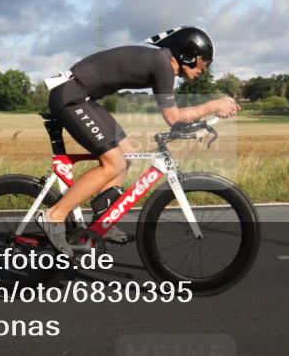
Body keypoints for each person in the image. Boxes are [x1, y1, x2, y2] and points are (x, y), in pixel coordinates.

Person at [39, 26, 240, 255]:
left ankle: (103, 220)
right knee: (113, 162)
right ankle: (54, 215)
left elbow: (174, 118)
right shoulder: (162, 63)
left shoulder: (161, 62)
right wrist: (212, 105)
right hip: (72, 97)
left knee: (128, 153)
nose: (205, 70)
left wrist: (200, 121)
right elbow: (172, 116)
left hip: (82, 97)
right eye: (204, 63)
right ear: (187, 55)